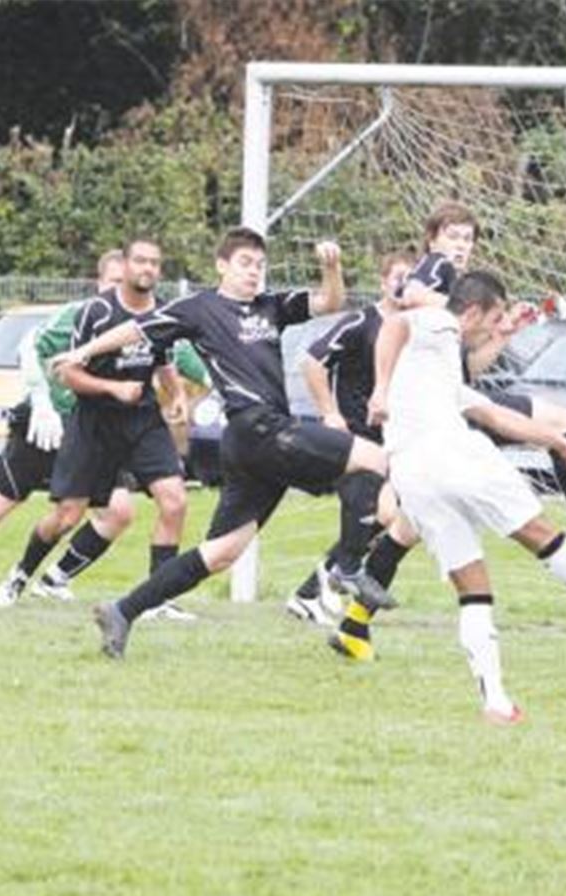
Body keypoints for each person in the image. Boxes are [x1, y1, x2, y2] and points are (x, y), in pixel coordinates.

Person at [52, 226, 395, 659]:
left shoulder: (272, 307)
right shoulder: (200, 308)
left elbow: (330, 301)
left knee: (221, 554)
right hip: (257, 428)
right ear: (222, 266)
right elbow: (138, 330)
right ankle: (346, 567)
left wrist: (332, 268)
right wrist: (84, 353)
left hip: (257, 443)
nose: (254, 273)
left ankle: (123, 611)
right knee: (373, 458)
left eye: (259, 265)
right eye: (245, 264)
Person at [364, 270, 566, 724]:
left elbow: (498, 416)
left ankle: (496, 703)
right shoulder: (442, 324)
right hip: (454, 454)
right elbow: (395, 325)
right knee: (543, 536)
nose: (493, 328)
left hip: (414, 477)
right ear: (474, 312)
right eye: (494, 317)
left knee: (474, 590)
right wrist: (379, 388)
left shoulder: (436, 373)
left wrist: (560, 443)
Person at [400, 201, 566, 566]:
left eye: (467, 238)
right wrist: (468, 308)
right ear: (431, 239)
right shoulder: (436, 267)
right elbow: (409, 296)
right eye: (452, 236)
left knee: (564, 420)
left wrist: (503, 333)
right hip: (435, 412)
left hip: (457, 400)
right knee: (401, 517)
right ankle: (333, 579)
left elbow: (469, 369)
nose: (460, 245)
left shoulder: (458, 292)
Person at [0, 239, 201, 617]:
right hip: (93, 423)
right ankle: (21, 574)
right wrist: (112, 388)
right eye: (140, 261)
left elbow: (164, 361)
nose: (147, 268)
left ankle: (156, 599)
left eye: (154, 262)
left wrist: (177, 394)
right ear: (126, 264)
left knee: (175, 500)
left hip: (142, 420)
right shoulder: (96, 313)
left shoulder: (164, 315)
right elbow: (68, 373)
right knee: (67, 516)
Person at [0, 254, 143, 577]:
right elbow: (28, 348)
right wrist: (42, 402)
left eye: (125, 282)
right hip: (45, 426)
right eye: (113, 281)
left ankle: (53, 580)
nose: (118, 289)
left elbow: (181, 358)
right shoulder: (75, 315)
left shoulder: (138, 327)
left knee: (119, 511)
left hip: (94, 432)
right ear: (99, 283)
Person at [285, 250, 414, 627]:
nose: (404, 284)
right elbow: (311, 361)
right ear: (383, 281)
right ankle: (319, 589)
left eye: (411, 277)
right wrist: (330, 412)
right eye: (398, 276)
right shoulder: (361, 321)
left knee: (386, 520)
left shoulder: (413, 327)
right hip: (358, 441)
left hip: (394, 441)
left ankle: (311, 591)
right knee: (384, 517)